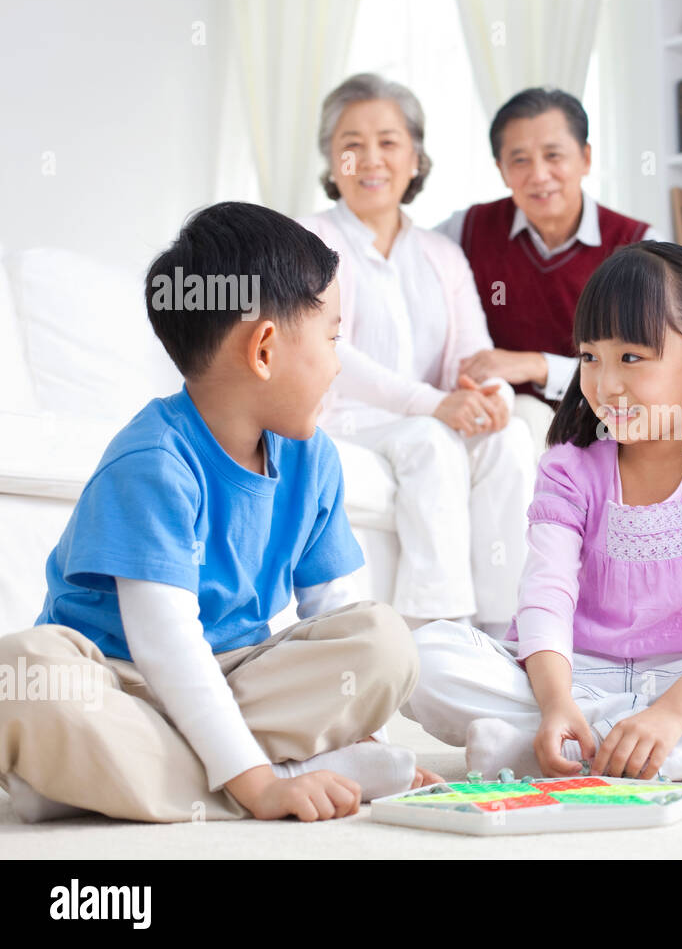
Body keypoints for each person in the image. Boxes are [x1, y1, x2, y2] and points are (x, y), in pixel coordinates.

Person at [0, 203, 434, 823]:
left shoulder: (314, 461)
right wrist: (261, 790)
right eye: (332, 337)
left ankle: (99, 779)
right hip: (120, 681)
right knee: (22, 674)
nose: (338, 363)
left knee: (384, 641)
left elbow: (335, 610)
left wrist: (364, 739)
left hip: (235, 680)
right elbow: (166, 646)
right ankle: (258, 773)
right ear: (264, 349)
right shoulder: (152, 460)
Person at [401, 242, 682, 780]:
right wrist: (555, 705)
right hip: (580, 676)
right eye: (590, 357)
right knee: (426, 657)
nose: (605, 384)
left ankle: (600, 747)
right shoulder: (569, 465)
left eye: (631, 358)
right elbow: (545, 597)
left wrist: (671, 713)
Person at [299, 73, 533, 631]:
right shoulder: (307, 241)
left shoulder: (441, 254)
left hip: (429, 412)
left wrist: (492, 395)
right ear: (333, 164)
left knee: (510, 434)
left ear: (415, 159)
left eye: (388, 142)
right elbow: (328, 349)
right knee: (431, 441)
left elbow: (474, 353)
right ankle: (438, 629)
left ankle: (511, 627)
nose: (371, 159)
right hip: (346, 418)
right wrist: (434, 405)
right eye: (351, 145)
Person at [436, 87, 663, 457]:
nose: (539, 175)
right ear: (502, 171)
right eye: (520, 160)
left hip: (613, 422)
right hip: (503, 427)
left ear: (586, 158)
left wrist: (538, 366)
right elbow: (402, 262)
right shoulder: (465, 230)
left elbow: (654, 366)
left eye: (553, 155)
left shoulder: (639, 245)